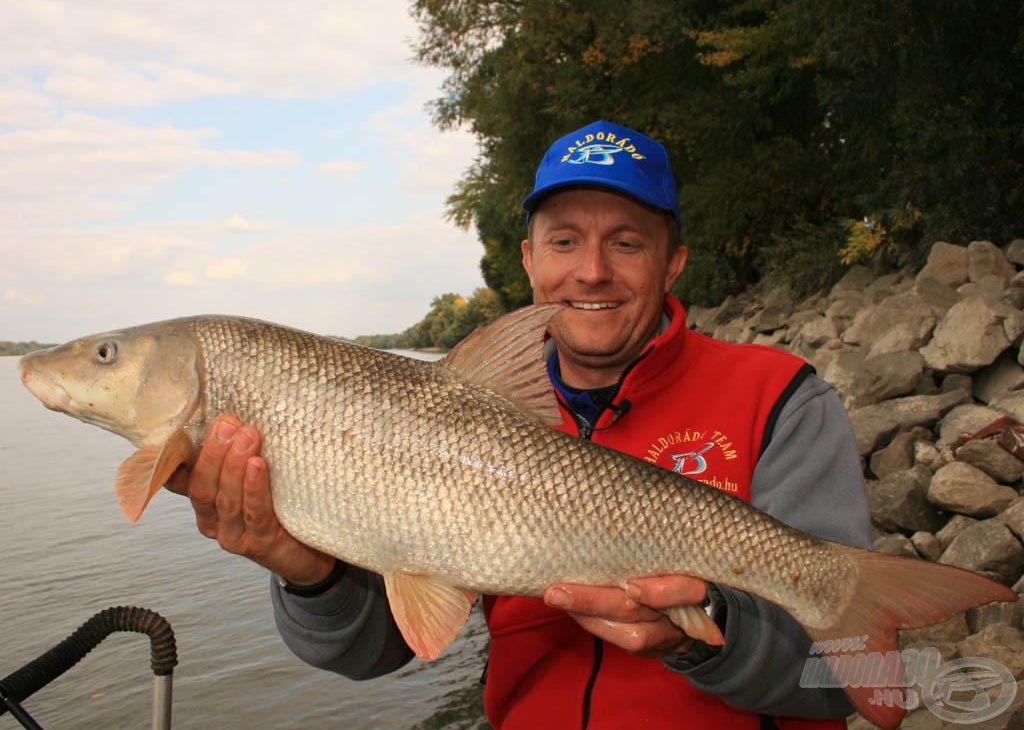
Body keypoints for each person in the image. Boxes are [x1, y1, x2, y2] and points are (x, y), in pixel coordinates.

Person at [167, 120, 871, 728]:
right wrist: (308, 574)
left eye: (626, 243)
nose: (591, 271)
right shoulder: (432, 416)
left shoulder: (780, 400)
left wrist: (701, 636)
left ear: (673, 262)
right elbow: (372, 655)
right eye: (564, 241)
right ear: (529, 260)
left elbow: (853, 682)